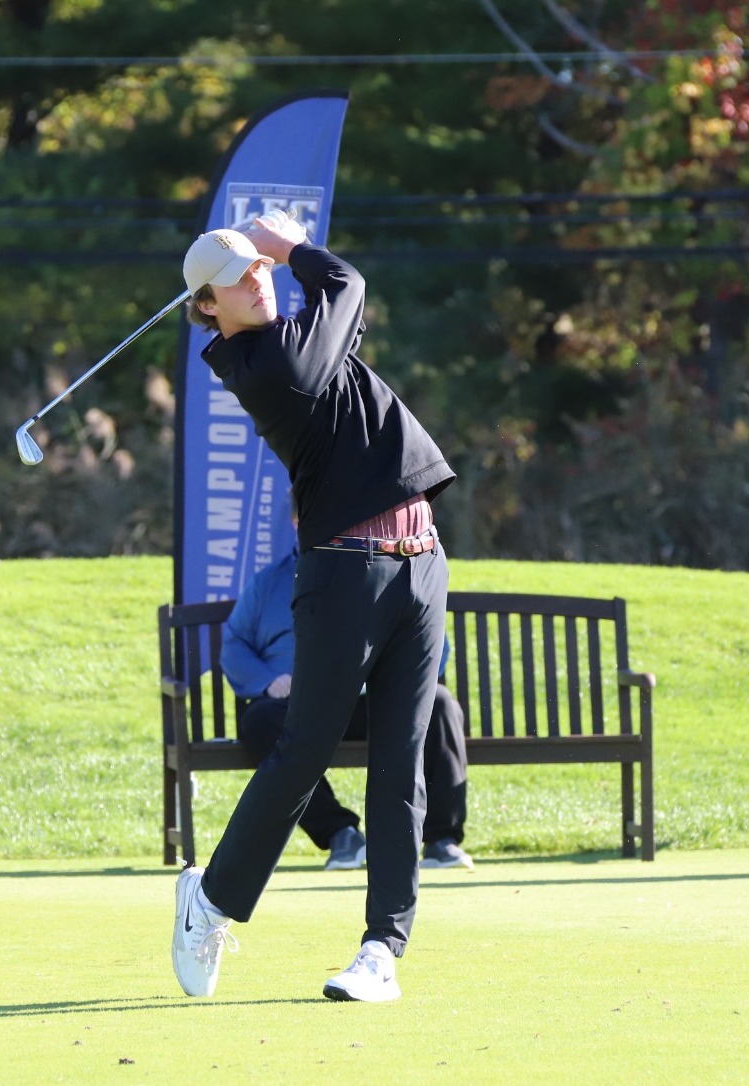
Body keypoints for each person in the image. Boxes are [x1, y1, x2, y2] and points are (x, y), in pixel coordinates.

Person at [172, 215, 455, 1004]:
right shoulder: (267, 367)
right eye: (236, 277)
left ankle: (381, 952)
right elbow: (348, 283)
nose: (255, 277)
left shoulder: (304, 340)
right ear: (207, 308)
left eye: (257, 267)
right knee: (305, 751)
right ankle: (212, 900)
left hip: (420, 561)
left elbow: (341, 299)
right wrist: (289, 243)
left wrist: (282, 257)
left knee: (402, 762)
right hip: (345, 572)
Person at [223, 538, 472, 873]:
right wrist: (268, 680)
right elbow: (234, 644)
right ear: (299, 521)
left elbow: (433, 644)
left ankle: (442, 841)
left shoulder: (390, 570)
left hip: (377, 700)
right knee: (259, 720)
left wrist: (391, 678)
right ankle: (342, 834)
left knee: (440, 703)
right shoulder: (267, 583)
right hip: (302, 705)